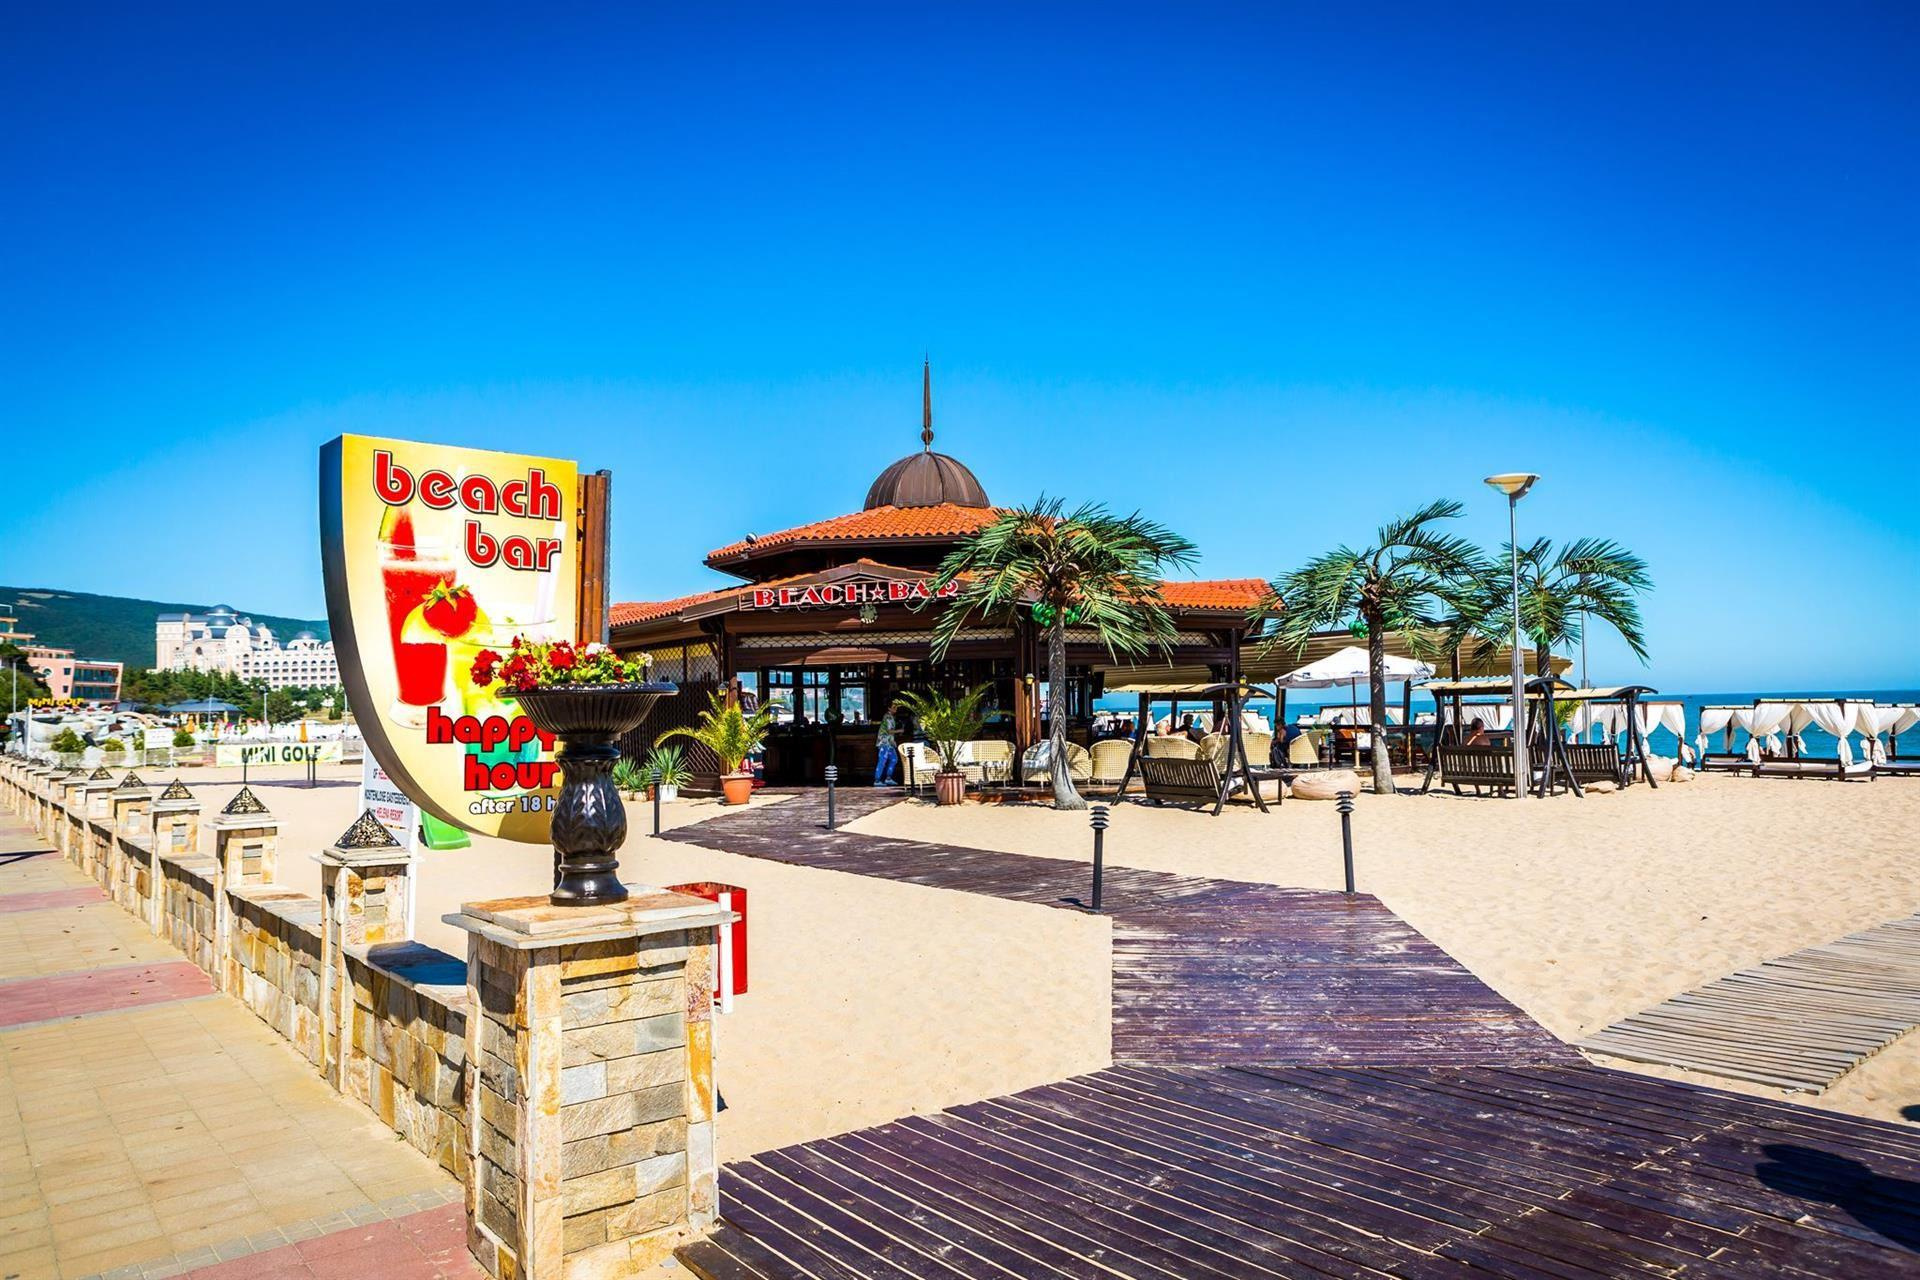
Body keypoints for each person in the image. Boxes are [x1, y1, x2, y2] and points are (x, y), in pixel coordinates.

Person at [874, 711, 901, 787]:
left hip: (889, 742)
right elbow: (889, 731)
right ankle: (877, 780)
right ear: (889, 708)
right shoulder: (888, 717)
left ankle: (888, 778)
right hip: (884, 742)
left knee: (894, 759)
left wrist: (893, 741)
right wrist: (900, 730)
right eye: (894, 707)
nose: (896, 709)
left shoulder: (891, 717)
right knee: (882, 760)